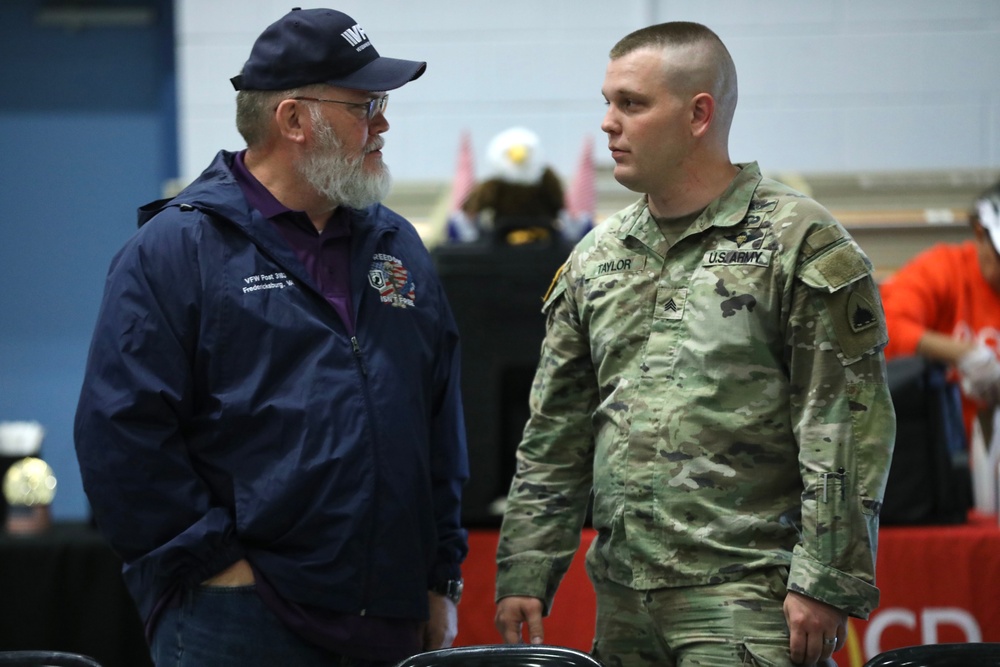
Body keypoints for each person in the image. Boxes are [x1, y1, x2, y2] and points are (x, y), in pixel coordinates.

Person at [74, 8, 468, 667]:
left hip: (390, 617)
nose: (383, 124)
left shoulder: (395, 245)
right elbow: (121, 433)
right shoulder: (179, 248)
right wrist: (213, 565)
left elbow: (438, 417)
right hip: (238, 617)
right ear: (293, 119)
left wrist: (440, 574)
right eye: (365, 105)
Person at [493, 21, 895, 667]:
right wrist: (524, 568)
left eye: (631, 103)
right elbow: (556, 430)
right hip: (623, 599)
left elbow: (846, 420)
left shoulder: (797, 240)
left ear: (698, 113)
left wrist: (826, 578)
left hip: (750, 598)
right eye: (607, 102)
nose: (607, 123)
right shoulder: (598, 256)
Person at [880, 182, 1000, 440]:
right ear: (980, 233)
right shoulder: (945, 270)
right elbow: (883, 328)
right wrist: (964, 354)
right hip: (940, 452)